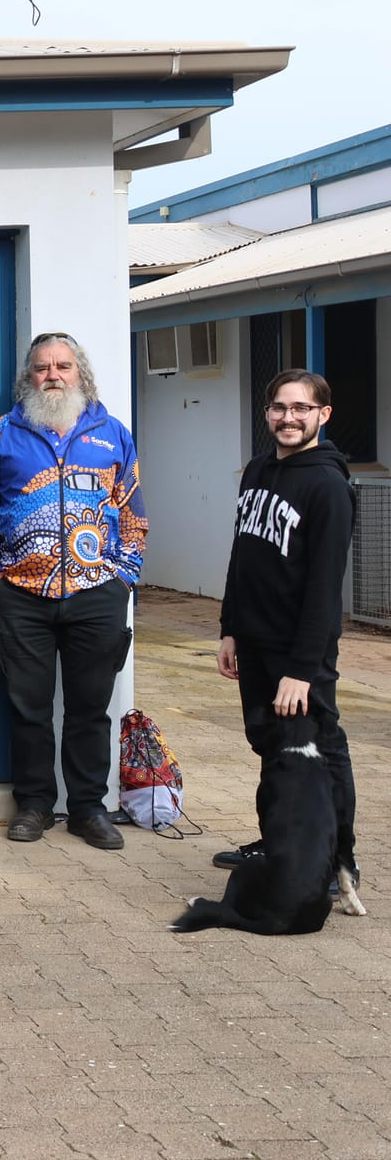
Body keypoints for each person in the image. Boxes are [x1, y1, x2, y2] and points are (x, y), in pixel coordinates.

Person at [0, 331, 145, 850]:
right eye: (42, 367)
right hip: (21, 593)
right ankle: (35, 805)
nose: (53, 375)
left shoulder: (112, 432)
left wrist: (125, 575)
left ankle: (90, 808)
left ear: (80, 373)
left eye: (63, 366)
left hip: (98, 591)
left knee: (91, 707)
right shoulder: (1, 434)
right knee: (29, 708)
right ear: (29, 376)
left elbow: (133, 506)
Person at [213, 369, 357, 887]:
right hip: (254, 642)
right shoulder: (256, 469)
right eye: (279, 407)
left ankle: (342, 858)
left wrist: (302, 670)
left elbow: (324, 589)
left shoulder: (328, 485)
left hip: (300, 654)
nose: (288, 417)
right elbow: (242, 556)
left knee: (320, 750)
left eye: (301, 408)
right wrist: (230, 627)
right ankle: (279, 840)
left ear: (323, 415)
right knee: (271, 746)